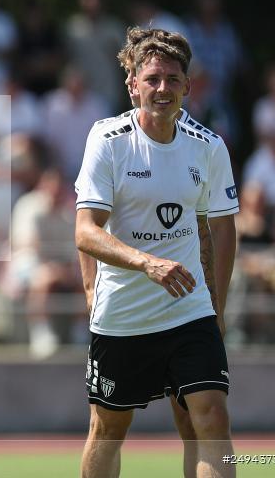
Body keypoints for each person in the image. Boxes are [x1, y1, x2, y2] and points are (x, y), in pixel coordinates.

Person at [78, 27, 239, 478]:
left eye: (172, 79)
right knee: (109, 426)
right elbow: (86, 232)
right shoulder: (107, 140)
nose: (162, 88)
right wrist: (136, 267)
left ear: (189, 85)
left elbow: (221, 228)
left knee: (209, 418)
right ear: (132, 85)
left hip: (189, 311)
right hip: (123, 314)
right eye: (152, 79)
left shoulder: (208, 147)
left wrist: (216, 305)